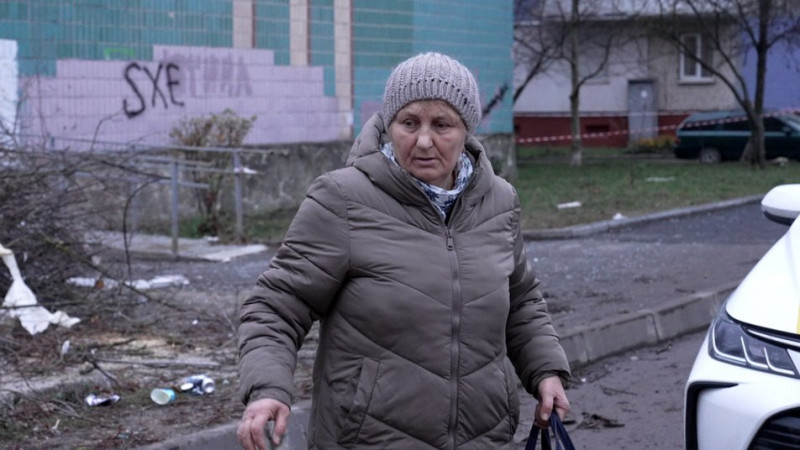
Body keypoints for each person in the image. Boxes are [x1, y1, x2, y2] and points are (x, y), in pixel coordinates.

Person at [237, 52, 571, 450]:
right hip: (370, 439)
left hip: (483, 436)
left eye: (442, 124)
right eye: (409, 123)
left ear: (466, 130)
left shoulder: (499, 202)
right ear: (389, 124)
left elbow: (521, 300)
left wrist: (545, 370)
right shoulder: (343, 199)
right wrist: (267, 389)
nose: (424, 140)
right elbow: (276, 305)